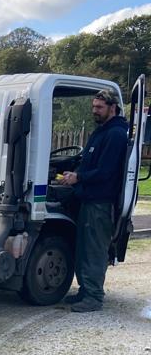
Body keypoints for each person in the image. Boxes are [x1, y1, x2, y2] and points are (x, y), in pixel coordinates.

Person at [60, 87, 129, 312]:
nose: (95, 111)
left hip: (101, 203)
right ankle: (84, 291)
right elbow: (89, 162)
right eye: (93, 107)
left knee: (94, 251)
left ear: (113, 107)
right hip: (88, 200)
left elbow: (107, 171)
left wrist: (78, 177)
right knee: (83, 249)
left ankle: (94, 297)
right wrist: (73, 174)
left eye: (99, 107)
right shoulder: (101, 131)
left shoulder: (116, 134)